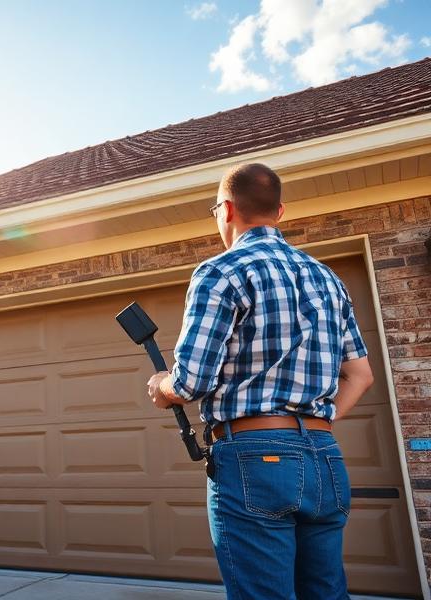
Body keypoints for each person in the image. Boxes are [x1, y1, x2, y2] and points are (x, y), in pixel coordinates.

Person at [147, 163, 374, 600]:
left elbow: (191, 382)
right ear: (280, 211)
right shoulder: (329, 279)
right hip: (324, 454)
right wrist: (310, 427)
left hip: (253, 457)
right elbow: (361, 375)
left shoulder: (221, 272)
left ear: (227, 209)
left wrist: (161, 386)